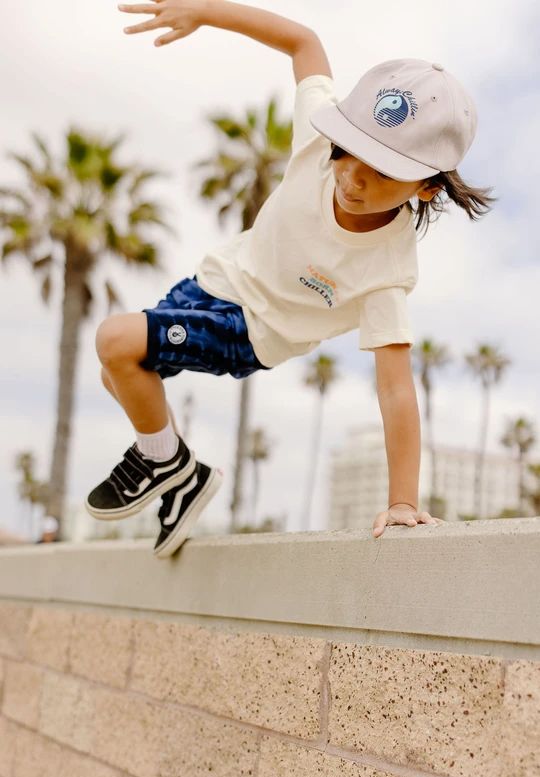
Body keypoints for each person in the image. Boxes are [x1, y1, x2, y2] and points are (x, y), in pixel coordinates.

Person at [86, 0, 493, 558]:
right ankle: (182, 477)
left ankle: (166, 464)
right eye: (347, 152)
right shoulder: (314, 136)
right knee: (122, 375)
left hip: (253, 331)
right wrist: (203, 10)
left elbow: (397, 387)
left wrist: (402, 500)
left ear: (426, 186)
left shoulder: (387, 273)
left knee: (115, 339)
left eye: (382, 171)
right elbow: (303, 41)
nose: (352, 178)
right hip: (217, 280)